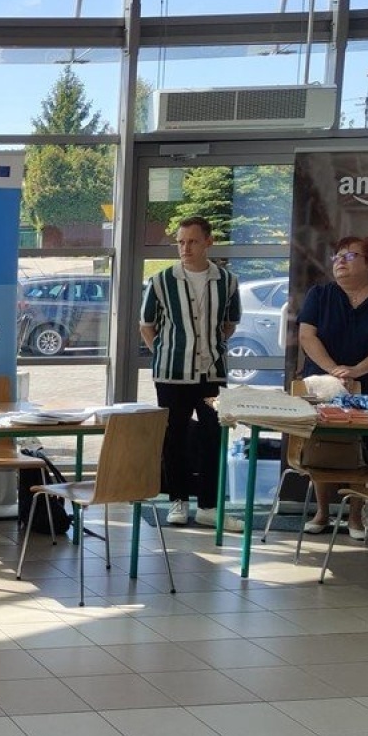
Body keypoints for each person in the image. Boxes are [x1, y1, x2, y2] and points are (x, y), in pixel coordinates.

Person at [297, 233, 368, 537]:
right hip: (324, 383)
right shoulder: (320, 294)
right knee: (324, 446)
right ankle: (322, 512)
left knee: (367, 447)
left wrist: (357, 371)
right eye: (337, 256)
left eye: (349, 256)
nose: (340, 262)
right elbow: (307, 335)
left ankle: (356, 516)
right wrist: (334, 370)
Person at [139, 216, 242, 529]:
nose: (185, 248)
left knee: (213, 437)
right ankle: (178, 501)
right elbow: (147, 325)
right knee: (174, 437)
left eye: (193, 241)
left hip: (212, 374)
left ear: (208, 242)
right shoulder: (161, 281)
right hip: (172, 374)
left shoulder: (227, 281)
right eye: (181, 242)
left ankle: (209, 506)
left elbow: (229, 324)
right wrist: (166, 352)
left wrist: (210, 348)